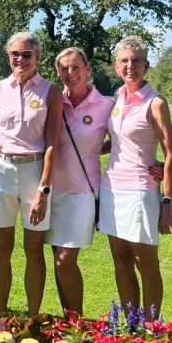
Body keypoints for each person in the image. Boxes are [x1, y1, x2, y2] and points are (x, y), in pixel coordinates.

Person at [0, 32, 62, 316]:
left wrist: (44, 190)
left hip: (35, 172)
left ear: (38, 57)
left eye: (27, 54)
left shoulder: (50, 91)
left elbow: (52, 143)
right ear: (8, 57)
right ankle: (0, 316)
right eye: (15, 54)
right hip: (0, 171)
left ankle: (33, 316)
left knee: (34, 248)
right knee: (2, 246)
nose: (21, 59)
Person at [99, 35, 172, 321]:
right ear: (116, 66)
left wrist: (167, 202)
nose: (130, 66)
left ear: (146, 65)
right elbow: (117, 143)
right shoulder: (116, 98)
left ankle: (151, 329)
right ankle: (131, 325)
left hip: (141, 190)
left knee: (145, 263)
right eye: (124, 61)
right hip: (111, 189)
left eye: (136, 61)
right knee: (120, 261)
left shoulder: (155, 102)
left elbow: (171, 154)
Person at [46, 47, 115, 315]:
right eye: (64, 68)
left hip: (82, 192)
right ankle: (68, 320)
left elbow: (124, 140)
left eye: (76, 67)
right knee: (57, 259)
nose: (70, 73)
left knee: (65, 259)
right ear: (57, 72)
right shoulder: (54, 102)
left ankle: (78, 324)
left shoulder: (105, 106)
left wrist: (98, 148)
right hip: (50, 191)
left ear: (88, 69)